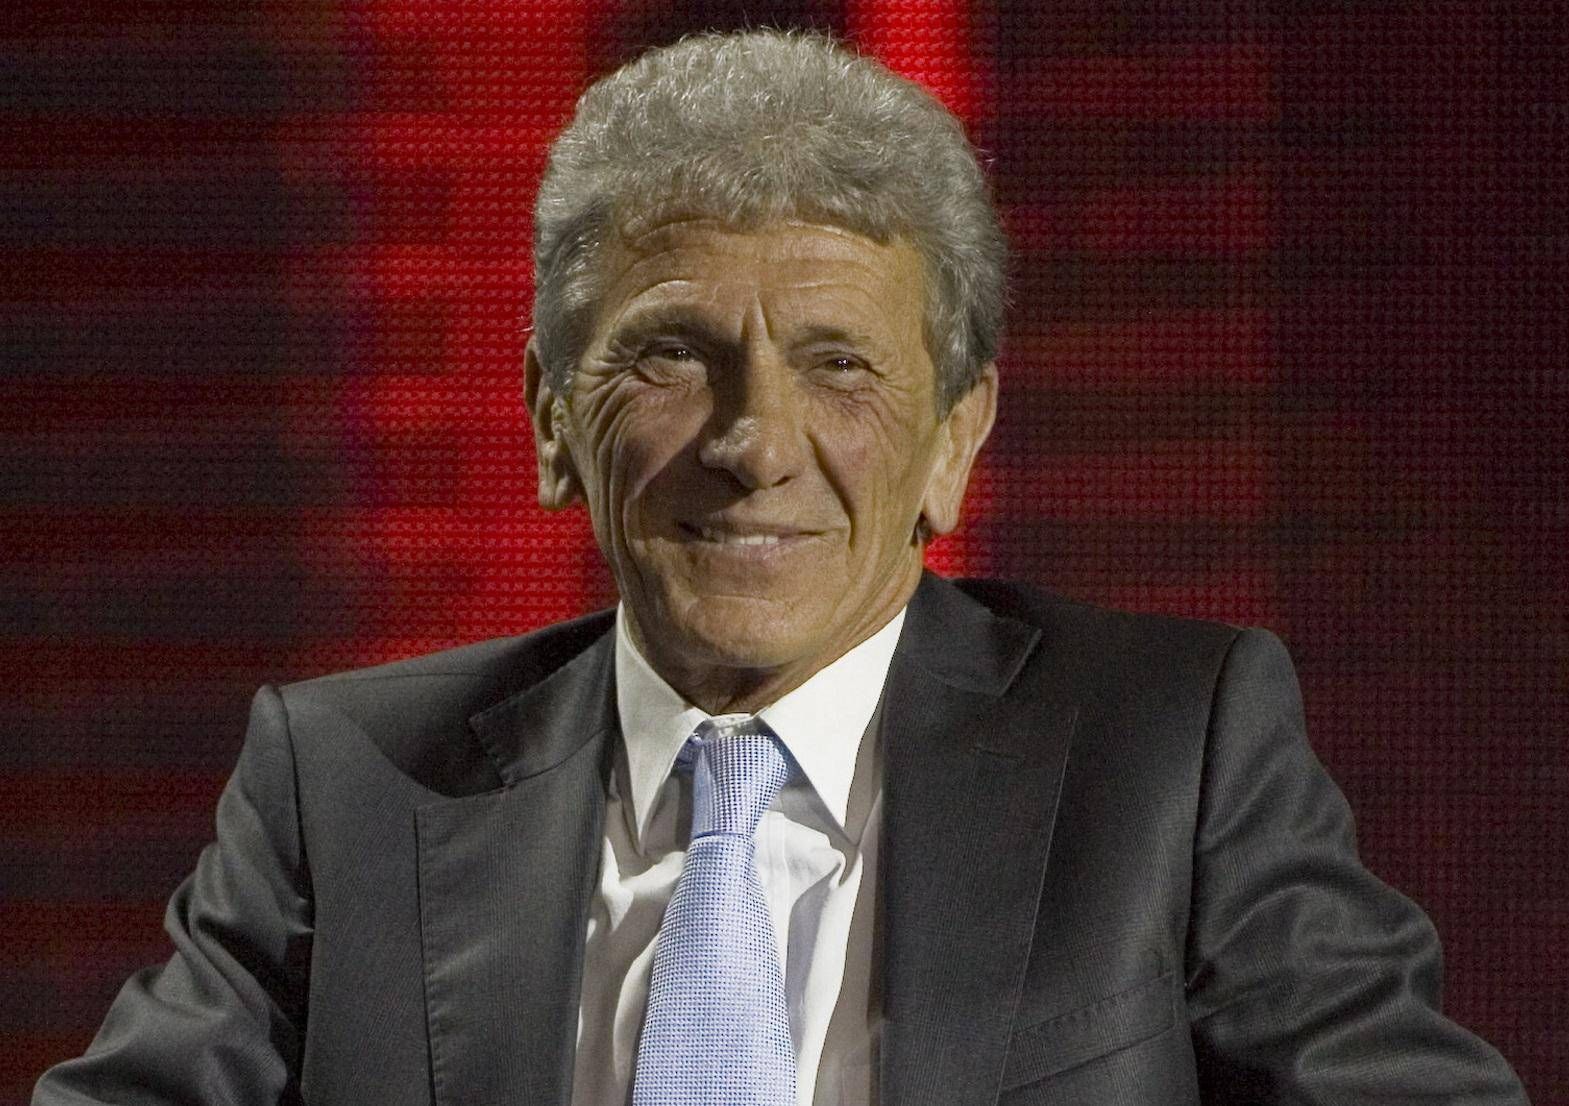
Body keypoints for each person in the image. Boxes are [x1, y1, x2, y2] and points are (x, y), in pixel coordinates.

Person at [34, 29, 1528, 1106]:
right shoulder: (347, 784)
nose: (755, 443)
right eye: (672, 357)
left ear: (954, 440)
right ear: (551, 424)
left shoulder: (1168, 751)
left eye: (839, 365)